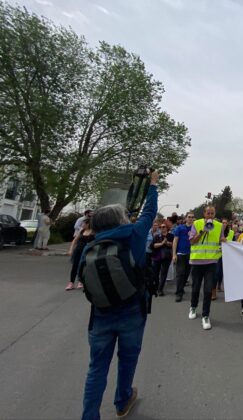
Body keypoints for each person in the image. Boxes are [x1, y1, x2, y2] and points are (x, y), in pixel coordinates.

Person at [80, 170, 158, 420]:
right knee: (127, 359)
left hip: (101, 315)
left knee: (96, 369)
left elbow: (84, 279)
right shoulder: (134, 235)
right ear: (120, 220)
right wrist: (152, 185)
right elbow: (149, 212)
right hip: (131, 311)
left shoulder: (90, 247)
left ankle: (89, 415)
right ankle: (122, 400)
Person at [188, 206, 225, 330]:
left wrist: (238, 244)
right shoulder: (196, 223)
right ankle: (193, 307)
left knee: (208, 290)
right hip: (197, 261)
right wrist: (202, 231)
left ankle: (205, 315)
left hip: (211, 263)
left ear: (214, 214)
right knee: (196, 288)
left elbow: (222, 240)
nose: (210, 215)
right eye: (208, 213)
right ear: (204, 214)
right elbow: (192, 241)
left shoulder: (219, 226)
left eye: (212, 213)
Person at [66, 217, 95, 291]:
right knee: (75, 266)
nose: (82, 225)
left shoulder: (93, 232)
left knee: (83, 266)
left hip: (87, 251)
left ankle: (80, 281)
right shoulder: (82, 231)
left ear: (88, 224)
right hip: (78, 250)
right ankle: (71, 283)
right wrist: (71, 250)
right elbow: (74, 241)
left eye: (83, 223)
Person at [172, 212, 194, 302]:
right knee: (180, 274)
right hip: (181, 254)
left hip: (191, 255)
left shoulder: (195, 228)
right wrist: (174, 254)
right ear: (186, 218)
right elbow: (175, 241)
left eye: (192, 217)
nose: (190, 219)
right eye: (189, 217)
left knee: (186, 274)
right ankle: (178, 293)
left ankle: (181, 287)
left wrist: (192, 235)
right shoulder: (179, 228)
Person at [150, 222, 173, 296]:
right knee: (155, 274)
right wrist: (162, 243)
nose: (162, 228)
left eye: (164, 227)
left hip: (166, 257)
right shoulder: (157, 236)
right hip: (156, 257)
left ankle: (160, 289)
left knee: (163, 273)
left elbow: (173, 244)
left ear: (167, 228)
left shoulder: (171, 235)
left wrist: (167, 243)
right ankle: (156, 287)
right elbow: (153, 245)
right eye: (161, 227)